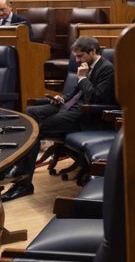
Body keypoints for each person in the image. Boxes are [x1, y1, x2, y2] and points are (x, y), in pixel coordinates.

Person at [0, 36, 115, 202]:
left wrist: (82, 78)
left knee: (36, 130)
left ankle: (22, 183)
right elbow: (75, 92)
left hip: (87, 114)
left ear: (93, 51)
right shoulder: (86, 65)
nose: (76, 60)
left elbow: (95, 97)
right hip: (70, 106)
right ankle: (12, 169)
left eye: (80, 56)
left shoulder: (107, 69)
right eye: (75, 56)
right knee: (30, 112)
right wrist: (61, 98)